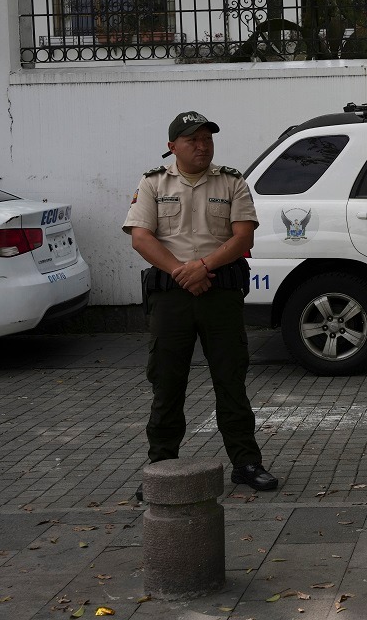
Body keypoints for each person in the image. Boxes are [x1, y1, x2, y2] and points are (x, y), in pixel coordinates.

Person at [123, 111, 278, 496]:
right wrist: (181, 271)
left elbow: (243, 238)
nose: (202, 145)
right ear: (172, 146)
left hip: (219, 294)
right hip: (172, 298)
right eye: (192, 140)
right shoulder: (153, 183)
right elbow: (141, 238)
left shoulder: (232, 182)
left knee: (231, 380)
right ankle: (161, 467)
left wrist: (203, 266)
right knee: (167, 382)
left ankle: (245, 463)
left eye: (207, 138)